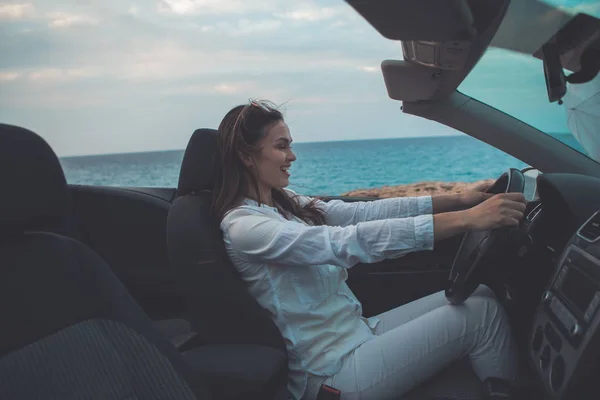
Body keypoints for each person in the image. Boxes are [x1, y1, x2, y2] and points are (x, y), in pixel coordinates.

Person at [212, 100, 526, 400]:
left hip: (359, 332)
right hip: (333, 372)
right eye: (281, 146)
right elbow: (345, 242)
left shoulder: (284, 202)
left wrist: (461, 200)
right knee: (483, 316)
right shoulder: (245, 226)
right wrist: (466, 220)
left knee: (480, 295)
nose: (292, 156)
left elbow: (362, 214)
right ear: (246, 155)